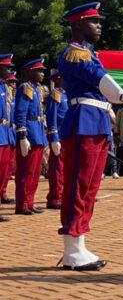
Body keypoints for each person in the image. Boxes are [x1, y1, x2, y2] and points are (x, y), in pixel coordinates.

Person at [57, 1, 123, 271]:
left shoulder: (89, 52)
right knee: (78, 185)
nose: (99, 26)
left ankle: (79, 244)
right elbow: (97, 77)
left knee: (90, 187)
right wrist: (121, 95)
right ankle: (72, 248)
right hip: (84, 121)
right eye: (94, 21)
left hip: (96, 120)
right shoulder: (75, 53)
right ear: (79, 24)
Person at [14, 59, 48, 215]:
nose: (42, 74)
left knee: (35, 172)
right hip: (30, 132)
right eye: (38, 71)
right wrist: (22, 135)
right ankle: (22, 204)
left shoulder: (36, 89)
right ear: (29, 72)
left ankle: (30, 202)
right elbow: (21, 112)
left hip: (38, 131)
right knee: (26, 171)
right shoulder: (25, 88)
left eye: (42, 71)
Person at [45, 70, 68, 209]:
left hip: (68, 135)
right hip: (59, 135)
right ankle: (55, 197)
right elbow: (52, 116)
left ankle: (63, 195)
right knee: (57, 168)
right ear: (59, 79)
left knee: (66, 168)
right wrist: (54, 137)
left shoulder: (67, 94)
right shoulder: (56, 94)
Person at [0, 54, 16, 217]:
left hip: (5, 132)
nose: (9, 71)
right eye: (6, 67)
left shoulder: (4, 87)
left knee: (4, 170)